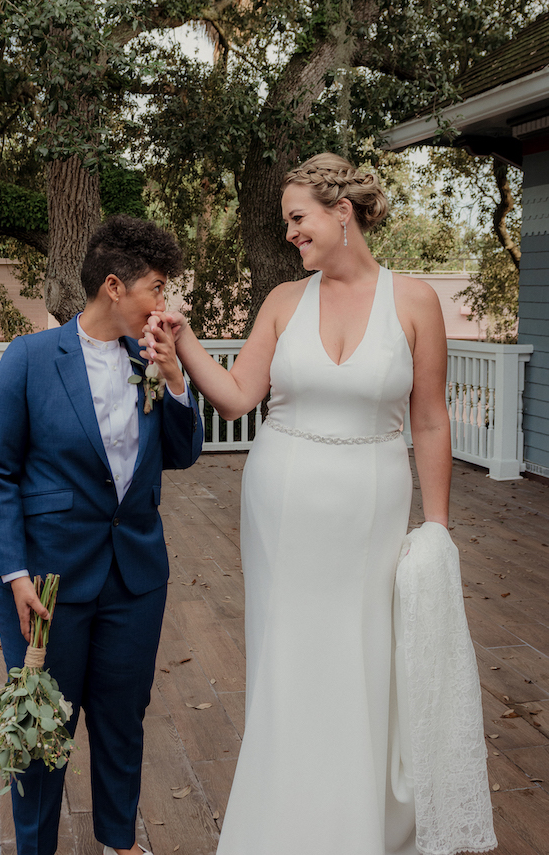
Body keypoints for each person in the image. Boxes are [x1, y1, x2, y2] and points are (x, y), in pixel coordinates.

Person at [142, 154, 494, 855]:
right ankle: (280, 821)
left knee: (361, 652)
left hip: (371, 502)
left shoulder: (414, 300)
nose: (292, 234)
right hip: (281, 501)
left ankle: (355, 823)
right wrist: (180, 350)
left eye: (298, 219)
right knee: (288, 655)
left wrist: (437, 528)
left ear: (342, 213)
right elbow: (241, 395)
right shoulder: (282, 301)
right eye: (287, 224)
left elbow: (429, 421)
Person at [0, 215, 203, 855]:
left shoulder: (151, 359)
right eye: (157, 287)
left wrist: (177, 374)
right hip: (45, 583)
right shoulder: (28, 359)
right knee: (41, 729)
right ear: (113, 286)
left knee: (121, 721)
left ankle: (117, 842)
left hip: (135, 577)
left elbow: (182, 454)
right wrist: (13, 574)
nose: (166, 302)